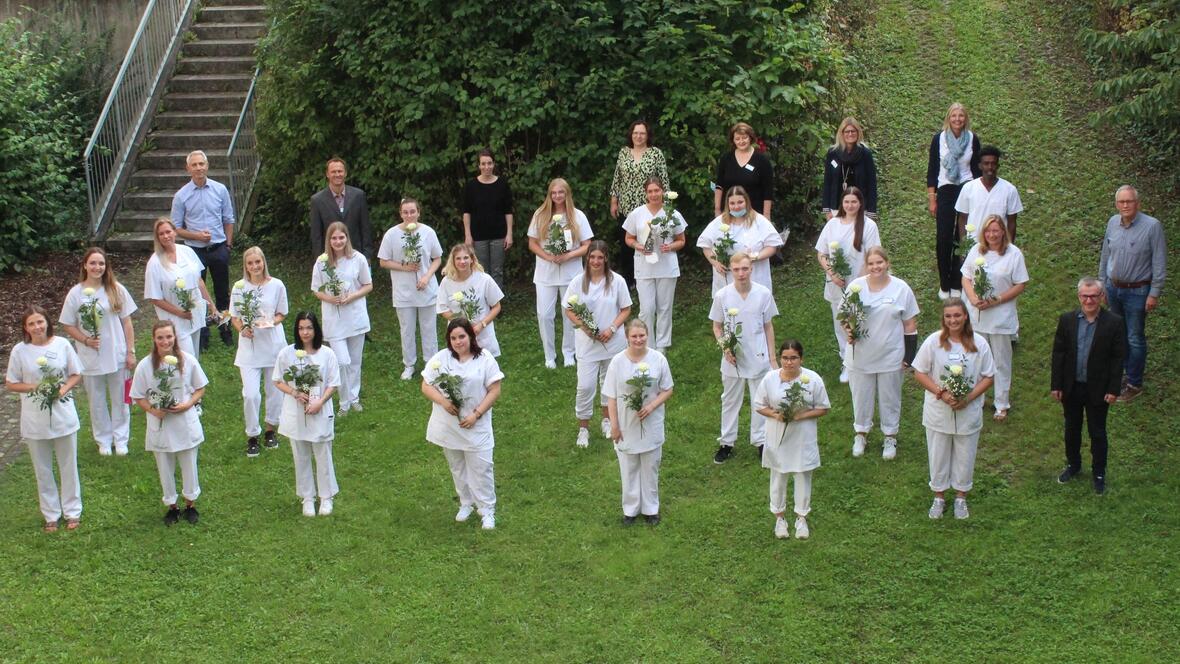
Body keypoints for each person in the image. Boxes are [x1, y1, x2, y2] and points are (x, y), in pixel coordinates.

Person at [912, 299, 996, 520]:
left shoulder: (979, 343)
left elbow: (989, 376)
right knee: (938, 453)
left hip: (968, 410)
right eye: (948, 316)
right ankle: (938, 496)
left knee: (965, 453)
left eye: (957, 315)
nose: (953, 320)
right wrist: (941, 392)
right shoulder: (933, 342)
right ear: (944, 318)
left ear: (965, 316)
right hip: (939, 409)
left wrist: (968, 398)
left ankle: (961, 496)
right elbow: (919, 372)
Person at [4, 306, 83, 532]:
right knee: (43, 469)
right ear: (25, 328)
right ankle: (50, 514)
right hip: (34, 418)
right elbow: (11, 382)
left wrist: (62, 390)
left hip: (63, 415)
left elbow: (76, 373)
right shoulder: (20, 351)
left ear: (47, 322)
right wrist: (36, 387)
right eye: (31, 324)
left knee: (68, 465)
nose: (37, 327)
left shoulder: (62, 345)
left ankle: (72, 511)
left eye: (40, 322)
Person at [421, 318, 504, 530]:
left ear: (470, 336)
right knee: (457, 467)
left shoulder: (484, 359)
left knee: (482, 467)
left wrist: (476, 414)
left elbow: (495, 389)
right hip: (450, 426)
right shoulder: (441, 359)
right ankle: (466, 502)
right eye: (453, 338)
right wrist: (443, 402)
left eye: (462, 337)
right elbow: (426, 385)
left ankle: (487, 510)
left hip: (476, 424)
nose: (458, 342)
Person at [842, 246, 919, 460]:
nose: (876, 267)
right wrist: (849, 331)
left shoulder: (901, 289)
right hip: (860, 356)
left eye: (880, 262)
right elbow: (844, 316)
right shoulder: (856, 287)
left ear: (887, 263)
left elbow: (910, 324)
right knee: (861, 396)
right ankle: (861, 433)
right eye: (871, 263)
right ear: (866, 266)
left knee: (890, 397)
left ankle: (890, 436)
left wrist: (909, 356)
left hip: (891, 355)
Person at [1051, 278, 1126, 495]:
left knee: (1097, 432)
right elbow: (1059, 353)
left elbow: (1117, 358)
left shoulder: (1114, 323)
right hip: (1071, 386)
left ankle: (1099, 473)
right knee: (1071, 429)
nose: (1089, 299)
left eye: (1094, 295)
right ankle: (1073, 465)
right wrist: (1056, 384)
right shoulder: (1067, 320)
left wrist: (1113, 389)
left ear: (1102, 297)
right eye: (1085, 295)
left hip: (1099, 389)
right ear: (1079, 297)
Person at [59, 248, 137, 456]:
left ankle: (121, 438)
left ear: (106, 266)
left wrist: (130, 351)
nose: (97, 267)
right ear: (85, 265)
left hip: (116, 353)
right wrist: (85, 339)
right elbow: (67, 324)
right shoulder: (76, 294)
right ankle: (103, 439)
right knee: (97, 400)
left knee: (120, 397)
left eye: (101, 263)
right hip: (90, 355)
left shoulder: (115, 289)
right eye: (93, 263)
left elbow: (127, 322)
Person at [130, 321, 209, 526]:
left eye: (169, 337)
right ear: (154, 340)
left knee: (189, 463)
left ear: (175, 337)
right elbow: (138, 395)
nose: (165, 341)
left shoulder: (188, 361)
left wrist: (188, 404)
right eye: (160, 337)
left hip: (184, 420)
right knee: (164, 465)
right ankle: (172, 506)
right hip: (161, 422)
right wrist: (154, 410)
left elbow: (200, 387)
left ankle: (190, 504)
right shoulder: (146, 365)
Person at [754, 340, 830, 540]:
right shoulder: (770, 379)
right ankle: (779, 519)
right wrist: (775, 414)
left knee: (803, 475)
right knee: (778, 477)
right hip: (778, 436)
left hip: (803, 437)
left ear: (801, 359)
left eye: (793, 358)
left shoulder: (812, 379)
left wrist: (800, 416)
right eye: (785, 358)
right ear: (780, 358)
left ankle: (801, 518)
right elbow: (759, 404)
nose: (789, 362)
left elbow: (823, 407)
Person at [1099, 185, 1167, 401]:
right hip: (1113, 288)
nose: (1125, 205)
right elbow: (1105, 255)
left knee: (1135, 337)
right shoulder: (1112, 222)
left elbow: (1159, 262)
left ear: (1137, 203)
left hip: (1138, 291)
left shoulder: (1152, 227)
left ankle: (1134, 383)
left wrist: (1154, 293)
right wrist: (1102, 283)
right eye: (1121, 202)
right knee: (1119, 335)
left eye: (1129, 201)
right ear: (1116, 204)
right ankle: (1124, 375)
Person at [709, 253, 778, 464]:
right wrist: (724, 348)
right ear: (731, 270)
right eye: (737, 269)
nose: (741, 273)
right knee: (730, 400)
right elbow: (717, 326)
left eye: (745, 269)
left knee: (759, 399)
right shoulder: (722, 296)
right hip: (733, 358)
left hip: (758, 355)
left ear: (751, 269)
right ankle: (727, 442)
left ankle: (760, 441)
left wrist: (773, 358)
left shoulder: (763, 294)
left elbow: (768, 326)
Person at [604, 319, 674, 526]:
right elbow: (611, 396)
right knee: (629, 467)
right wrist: (614, 426)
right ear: (627, 338)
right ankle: (630, 509)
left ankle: (651, 509)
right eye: (634, 336)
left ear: (647, 336)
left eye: (641, 335)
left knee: (651, 466)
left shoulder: (658, 359)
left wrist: (651, 406)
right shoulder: (617, 362)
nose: (638, 339)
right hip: (626, 423)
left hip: (651, 421)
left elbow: (668, 389)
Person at [564, 241, 633, 448]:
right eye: (592, 257)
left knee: (609, 383)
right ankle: (583, 427)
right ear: (587, 259)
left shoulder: (617, 281)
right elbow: (569, 309)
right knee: (585, 386)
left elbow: (626, 308)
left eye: (599, 257)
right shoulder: (577, 282)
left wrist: (611, 329)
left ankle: (607, 419)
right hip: (587, 345)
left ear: (605, 259)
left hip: (613, 342)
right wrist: (584, 327)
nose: (595, 261)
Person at [961, 214, 1028, 421]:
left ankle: (1001, 403)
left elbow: (1020, 284)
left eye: (996, 230)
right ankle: (977, 399)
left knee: (1000, 362)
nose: (992, 234)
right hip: (978, 315)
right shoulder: (976, 250)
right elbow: (966, 276)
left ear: (1002, 232)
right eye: (989, 230)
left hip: (1001, 317)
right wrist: (972, 298)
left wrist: (997, 299)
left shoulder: (1013, 254)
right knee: (977, 359)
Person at [273, 312, 341, 517]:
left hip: (319, 409)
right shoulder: (287, 353)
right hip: (296, 412)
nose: (305, 332)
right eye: (301, 328)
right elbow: (277, 380)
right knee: (300, 454)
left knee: (322, 453)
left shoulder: (327, 353)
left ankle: (326, 497)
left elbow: (333, 383)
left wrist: (320, 402)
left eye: (309, 328)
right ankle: (308, 497)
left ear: (316, 329)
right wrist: (295, 393)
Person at [814, 186, 882, 383]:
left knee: (861, 319)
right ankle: (847, 361)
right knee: (840, 321)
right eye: (847, 202)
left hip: (860, 282)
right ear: (842, 203)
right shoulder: (832, 225)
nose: (850, 205)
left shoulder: (868, 226)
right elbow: (822, 253)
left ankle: (865, 358)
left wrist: (857, 283)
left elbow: (872, 255)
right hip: (836, 282)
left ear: (860, 203)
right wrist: (832, 273)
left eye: (854, 202)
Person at [170, 149, 234, 348]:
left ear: (207, 166)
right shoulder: (181, 196)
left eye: (201, 164)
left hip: (218, 248)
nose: (199, 168)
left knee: (223, 292)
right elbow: (176, 228)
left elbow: (228, 219)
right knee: (198, 294)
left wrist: (228, 245)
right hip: (194, 251)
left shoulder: (220, 189)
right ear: (188, 168)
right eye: (194, 165)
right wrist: (196, 236)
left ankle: (225, 328)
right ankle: (203, 333)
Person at [528, 178, 593, 368]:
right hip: (545, 273)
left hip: (570, 272)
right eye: (554, 193)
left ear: (567, 194)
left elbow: (587, 245)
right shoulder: (540, 215)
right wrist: (547, 256)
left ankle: (569, 352)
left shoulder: (577, 215)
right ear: (549, 194)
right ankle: (549, 355)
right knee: (545, 314)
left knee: (569, 313)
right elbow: (532, 243)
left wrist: (569, 255)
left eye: (561, 192)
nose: (557, 196)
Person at [231, 246, 289, 457]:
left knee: (274, 392)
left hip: (273, 345)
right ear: (245, 266)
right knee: (251, 394)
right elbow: (235, 316)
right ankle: (252, 434)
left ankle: (270, 430)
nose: (255, 266)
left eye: (258, 262)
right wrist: (242, 329)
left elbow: (283, 312)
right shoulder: (239, 287)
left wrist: (271, 321)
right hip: (250, 349)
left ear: (263, 262)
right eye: (250, 263)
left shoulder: (276, 285)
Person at [378, 198, 443, 380]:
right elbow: (383, 261)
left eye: (412, 212)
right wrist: (403, 266)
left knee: (428, 328)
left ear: (418, 212)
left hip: (426, 288)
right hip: (403, 290)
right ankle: (409, 364)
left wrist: (426, 277)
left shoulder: (428, 232)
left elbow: (437, 258)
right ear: (400, 213)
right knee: (406, 329)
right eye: (405, 212)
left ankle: (431, 364)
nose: (409, 215)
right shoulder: (392, 234)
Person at [312, 222, 373, 413]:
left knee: (355, 361)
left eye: (341, 237)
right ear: (328, 241)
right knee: (342, 361)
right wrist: (331, 298)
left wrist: (352, 296)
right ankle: (343, 402)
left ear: (347, 238)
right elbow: (316, 289)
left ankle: (353, 398)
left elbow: (368, 284)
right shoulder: (322, 262)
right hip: (334, 317)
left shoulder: (358, 259)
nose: (338, 241)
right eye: (334, 238)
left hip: (355, 316)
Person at [622, 177, 687, 353]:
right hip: (644, 267)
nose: (653, 194)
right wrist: (638, 245)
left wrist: (670, 246)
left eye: (656, 190)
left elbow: (681, 240)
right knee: (647, 308)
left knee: (665, 307)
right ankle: (647, 343)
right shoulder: (637, 213)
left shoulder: (672, 213)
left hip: (667, 266)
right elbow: (628, 238)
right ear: (646, 193)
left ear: (663, 191)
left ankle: (662, 345)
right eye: (650, 191)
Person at [926, 103, 981, 299]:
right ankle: (944, 283)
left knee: (963, 237)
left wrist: (980, 193)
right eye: (954, 116)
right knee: (944, 238)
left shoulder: (973, 139)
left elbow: (977, 169)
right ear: (948, 118)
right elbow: (932, 170)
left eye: (961, 116)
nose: (957, 119)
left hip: (967, 188)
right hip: (946, 188)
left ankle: (958, 281)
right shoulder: (939, 139)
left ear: (966, 119)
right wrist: (932, 198)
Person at [144, 218, 216, 358]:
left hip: (194, 313)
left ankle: (193, 380)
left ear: (175, 232)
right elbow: (155, 298)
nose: (166, 236)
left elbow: (199, 281)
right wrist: (179, 313)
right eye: (161, 234)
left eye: (168, 232)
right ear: (157, 237)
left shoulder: (187, 251)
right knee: (185, 356)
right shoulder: (154, 263)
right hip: (174, 319)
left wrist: (212, 305)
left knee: (194, 355)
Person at [610, 121, 669, 286]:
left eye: (642, 133)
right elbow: (617, 179)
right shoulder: (624, 153)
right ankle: (628, 281)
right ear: (631, 134)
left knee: (649, 241)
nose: (638, 136)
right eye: (636, 133)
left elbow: (664, 180)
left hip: (649, 206)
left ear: (647, 135)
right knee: (626, 244)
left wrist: (666, 205)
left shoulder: (655, 153)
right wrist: (614, 201)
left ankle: (648, 278)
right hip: (626, 207)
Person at [697, 186, 783, 296]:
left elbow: (772, 245)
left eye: (740, 202)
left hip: (755, 275)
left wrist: (756, 256)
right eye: (732, 203)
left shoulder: (759, 220)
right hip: (727, 279)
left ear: (746, 202)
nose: (736, 207)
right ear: (727, 205)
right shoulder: (719, 222)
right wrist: (715, 263)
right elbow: (705, 245)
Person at [437, 244, 504, 357]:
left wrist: (481, 325)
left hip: (482, 331)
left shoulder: (484, 279)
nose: (462, 261)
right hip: (459, 335)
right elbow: (443, 309)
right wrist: (462, 324)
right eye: (458, 258)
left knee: (486, 367)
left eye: (466, 258)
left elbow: (497, 307)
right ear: (453, 261)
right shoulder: (446, 282)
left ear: (472, 259)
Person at [462, 149, 515, 289]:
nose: (486, 167)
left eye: (489, 163)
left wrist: (509, 233)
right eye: (483, 164)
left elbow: (508, 211)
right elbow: (466, 212)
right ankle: (483, 303)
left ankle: (496, 304)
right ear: (479, 166)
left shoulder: (502, 184)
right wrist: (468, 234)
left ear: (494, 164)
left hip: (499, 236)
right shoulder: (471, 186)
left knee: (497, 271)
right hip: (478, 236)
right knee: (480, 271)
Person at [955, 145, 1023, 245]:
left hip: (999, 246)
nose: (990, 167)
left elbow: (1012, 222)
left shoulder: (1009, 190)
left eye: (993, 164)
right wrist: (963, 246)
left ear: (998, 166)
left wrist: (1009, 247)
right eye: (986, 164)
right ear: (980, 166)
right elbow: (962, 219)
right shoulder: (968, 188)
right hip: (974, 245)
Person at [310, 157, 373, 260]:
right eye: (333, 172)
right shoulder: (317, 200)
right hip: (331, 257)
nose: (337, 174)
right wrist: (321, 259)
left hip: (356, 255)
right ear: (327, 174)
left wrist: (367, 256)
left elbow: (365, 227)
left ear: (345, 173)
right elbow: (316, 235)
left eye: (340, 171)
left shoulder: (358, 196)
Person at [714, 122, 774, 220]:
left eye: (744, 138)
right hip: (729, 214)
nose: (741, 141)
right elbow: (719, 186)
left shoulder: (762, 160)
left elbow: (768, 191)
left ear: (750, 138)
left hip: (754, 215)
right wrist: (717, 210)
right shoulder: (726, 159)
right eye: (737, 139)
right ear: (733, 140)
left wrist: (766, 216)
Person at [822, 117, 878, 220]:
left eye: (853, 131)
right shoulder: (833, 153)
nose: (850, 134)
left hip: (860, 208)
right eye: (847, 131)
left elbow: (872, 184)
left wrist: (871, 211)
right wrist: (827, 209)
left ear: (858, 132)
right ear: (842, 133)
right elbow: (827, 181)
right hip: (836, 208)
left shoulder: (865, 153)